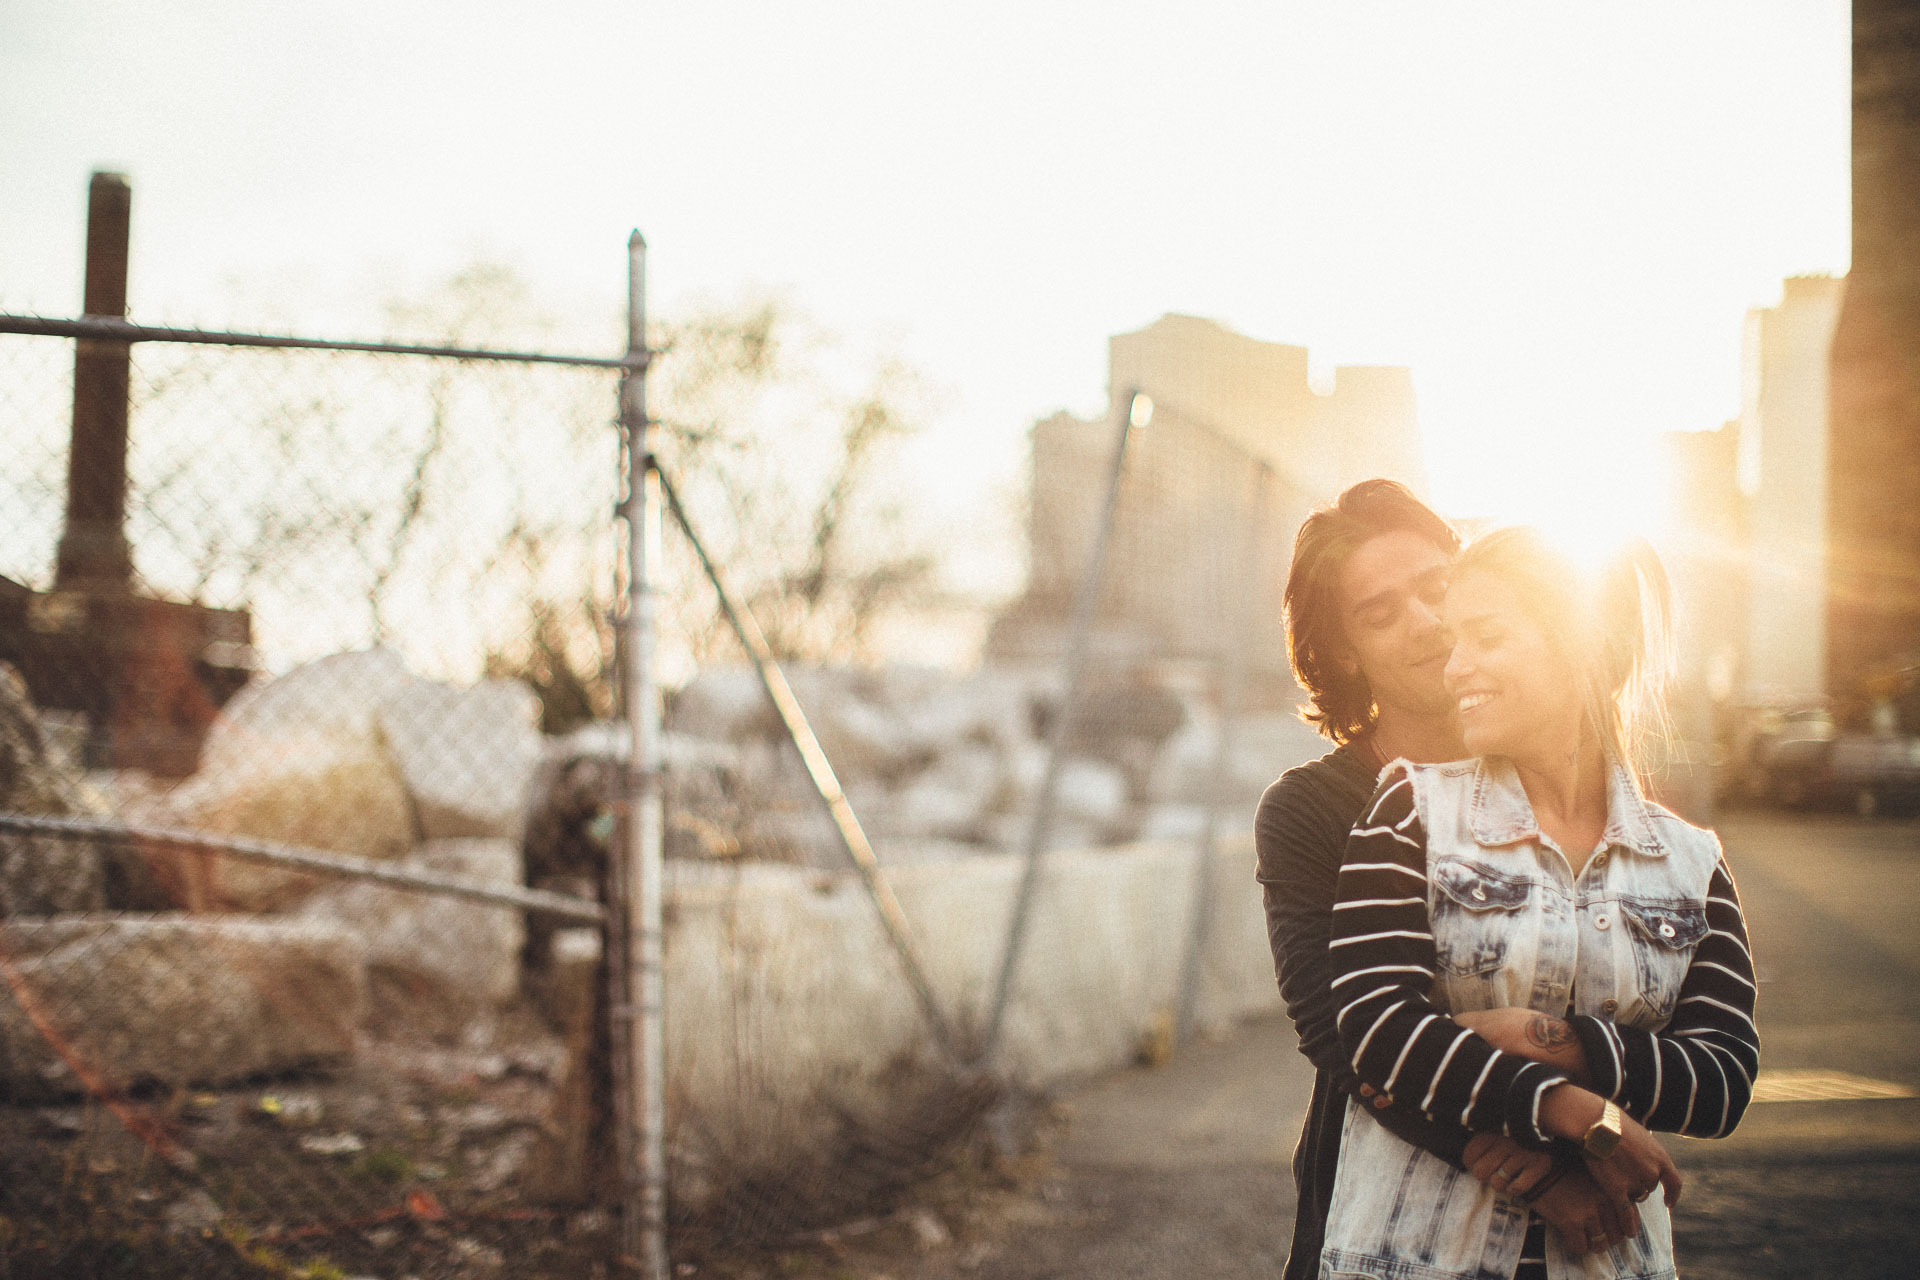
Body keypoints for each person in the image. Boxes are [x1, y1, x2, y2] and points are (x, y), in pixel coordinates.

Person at [1325, 527, 1759, 1279]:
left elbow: (1722, 1079)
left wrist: (1546, 1037)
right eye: (1455, 641)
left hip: (1613, 1260)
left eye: (1486, 638)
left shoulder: (1691, 863)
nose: (1455, 666)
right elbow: (1373, 1027)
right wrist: (1570, 1109)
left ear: (1585, 642)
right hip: (1412, 1260)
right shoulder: (1411, 809)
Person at [1256, 482, 1624, 1280]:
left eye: (1436, 589)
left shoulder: (1561, 777)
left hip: (1589, 1217)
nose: (1424, 622)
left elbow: (1632, 995)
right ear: (1346, 652)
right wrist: (1525, 1160)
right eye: (1380, 613)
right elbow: (1343, 1033)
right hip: (1388, 1219)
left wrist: (1595, 1135)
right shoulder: (1313, 809)